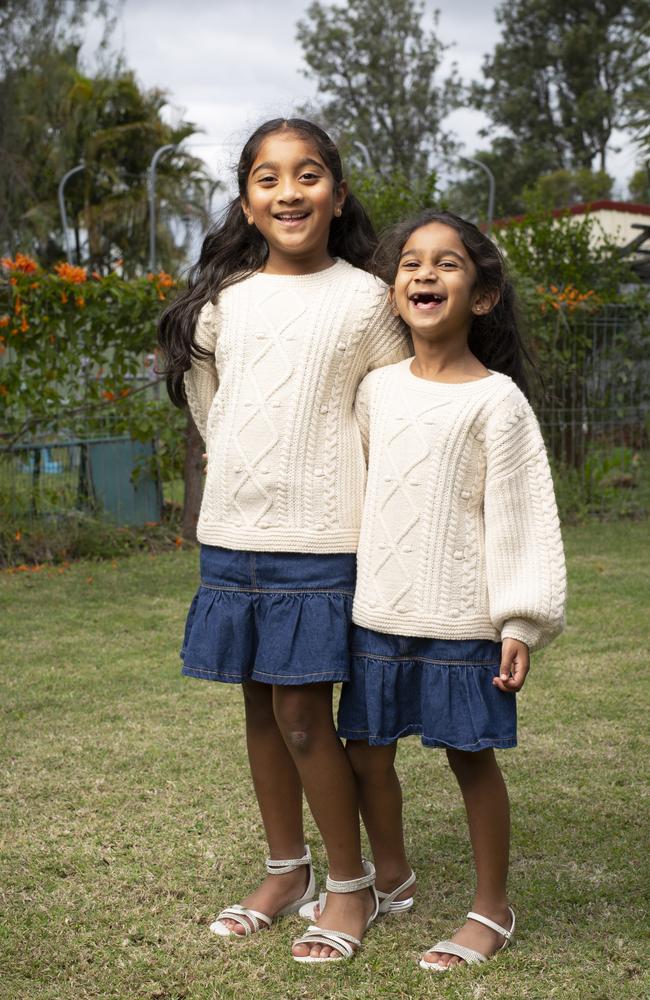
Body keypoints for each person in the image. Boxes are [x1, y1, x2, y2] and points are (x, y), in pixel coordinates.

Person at [157, 118, 411, 963]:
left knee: (305, 712)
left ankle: (351, 885)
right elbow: (211, 408)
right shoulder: (226, 303)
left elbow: (390, 421)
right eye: (269, 178)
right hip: (233, 533)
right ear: (247, 202)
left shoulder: (370, 301)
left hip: (323, 538)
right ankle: (285, 869)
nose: (289, 191)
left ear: (337, 196)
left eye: (308, 176)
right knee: (260, 707)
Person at [336, 210, 567, 971]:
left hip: (462, 620)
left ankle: (491, 908)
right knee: (366, 753)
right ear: (393, 287)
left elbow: (521, 516)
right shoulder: (373, 390)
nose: (425, 274)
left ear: (483, 295)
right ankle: (392, 878)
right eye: (411, 263)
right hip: (376, 613)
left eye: (447, 264)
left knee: (471, 758)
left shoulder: (497, 403)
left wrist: (519, 622)